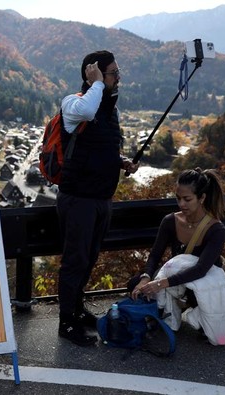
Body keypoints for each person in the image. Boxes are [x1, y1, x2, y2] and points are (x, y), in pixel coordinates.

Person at [56, 50, 139, 346]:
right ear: (94, 74)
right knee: (75, 261)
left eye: (118, 72)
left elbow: (99, 146)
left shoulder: (107, 109)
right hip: (79, 199)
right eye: (113, 73)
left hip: (101, 197)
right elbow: (87, 112)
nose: (119, 77)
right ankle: (66, 323)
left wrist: (121, 161)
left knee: (88, 258)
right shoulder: (74, 103)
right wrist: (96, 85)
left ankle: (77, 311)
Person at [130, 168, 225, 343]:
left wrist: (161, 283)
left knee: (224, 333)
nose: (181, 204)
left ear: (202, 198)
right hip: (179, 275)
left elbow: (201, 270)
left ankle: (192, 312)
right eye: (178, 198)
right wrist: (146, 278)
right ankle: (167, 311)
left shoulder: (216, 229)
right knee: (136, 285)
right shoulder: (170, 221)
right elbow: (155, 255)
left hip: (209, 279)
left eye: (187, 199)